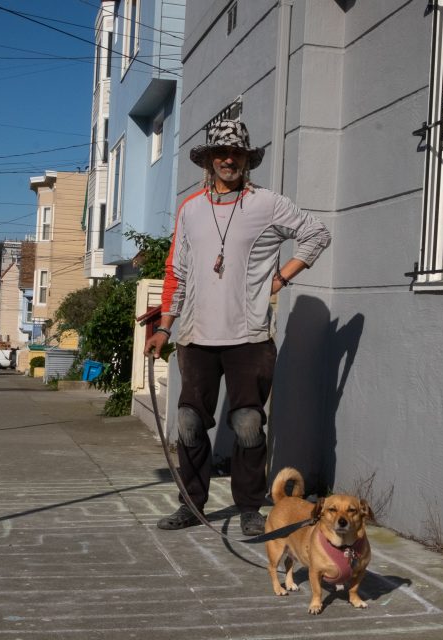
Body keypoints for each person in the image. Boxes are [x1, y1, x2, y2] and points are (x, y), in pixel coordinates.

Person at [144, 120, 331, 536]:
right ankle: (191, 504)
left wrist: (281, 277)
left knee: (247, 423)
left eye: (236, 153)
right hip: (195, 335)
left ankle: (249, 509)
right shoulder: (190, 209)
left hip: (250, 337)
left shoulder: (267, 204)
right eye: (220, 153)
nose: (228, 160)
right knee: (189, 422)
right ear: (209, 160)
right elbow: (176, 272)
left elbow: (317, 233)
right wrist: (164, 327)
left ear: (246, 160)